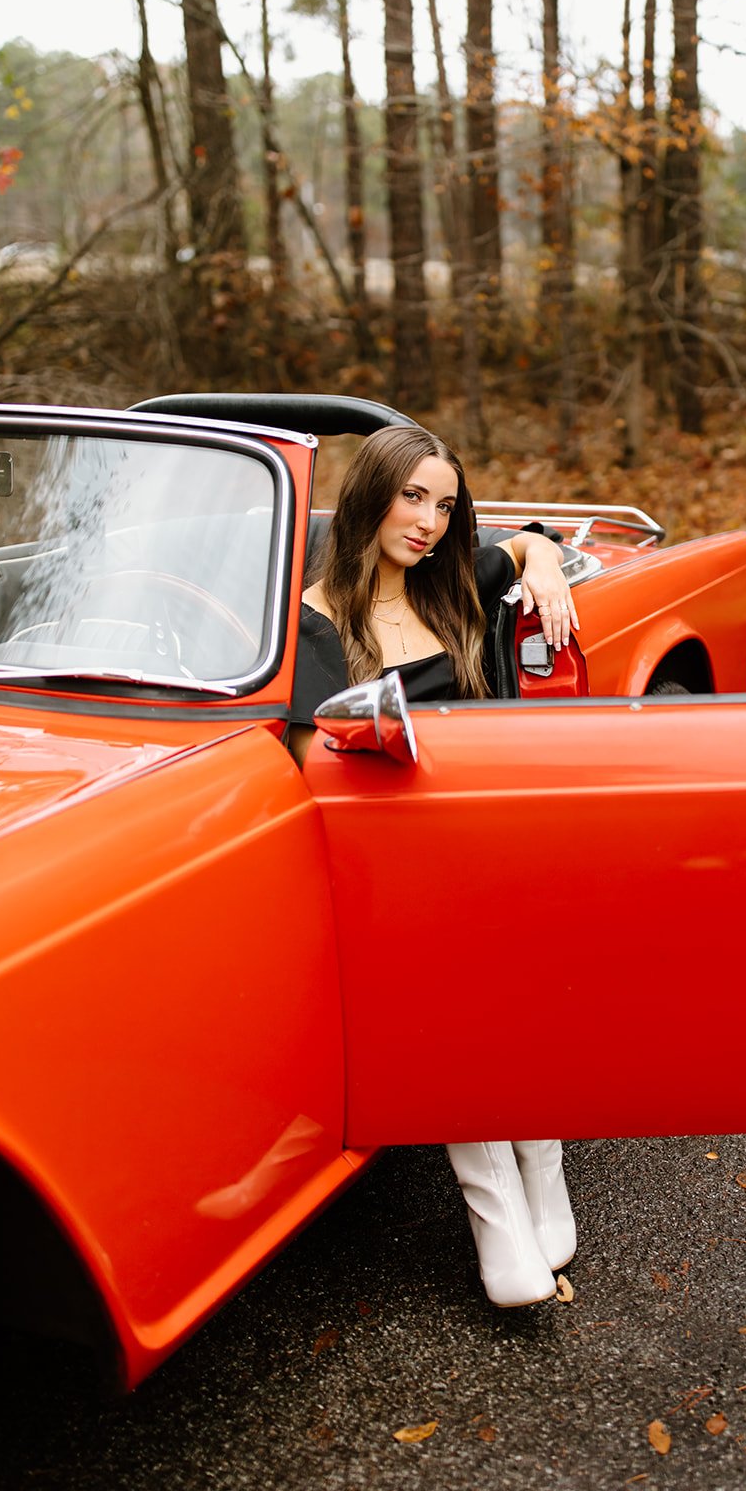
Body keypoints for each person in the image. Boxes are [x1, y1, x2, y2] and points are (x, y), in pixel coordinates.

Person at [288, 424, 578, 1308]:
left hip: (481, 841)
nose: (427, 521)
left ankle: (542, 1155)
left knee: (523, 965)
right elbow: (311, 764)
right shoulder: (313, 620)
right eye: (412, 497)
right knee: (454, 983)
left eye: (445, 504)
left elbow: (529, 542)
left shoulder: (452, 582)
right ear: (373, 493)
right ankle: (496, 1205)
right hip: (391, 856)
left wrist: (544, 562)